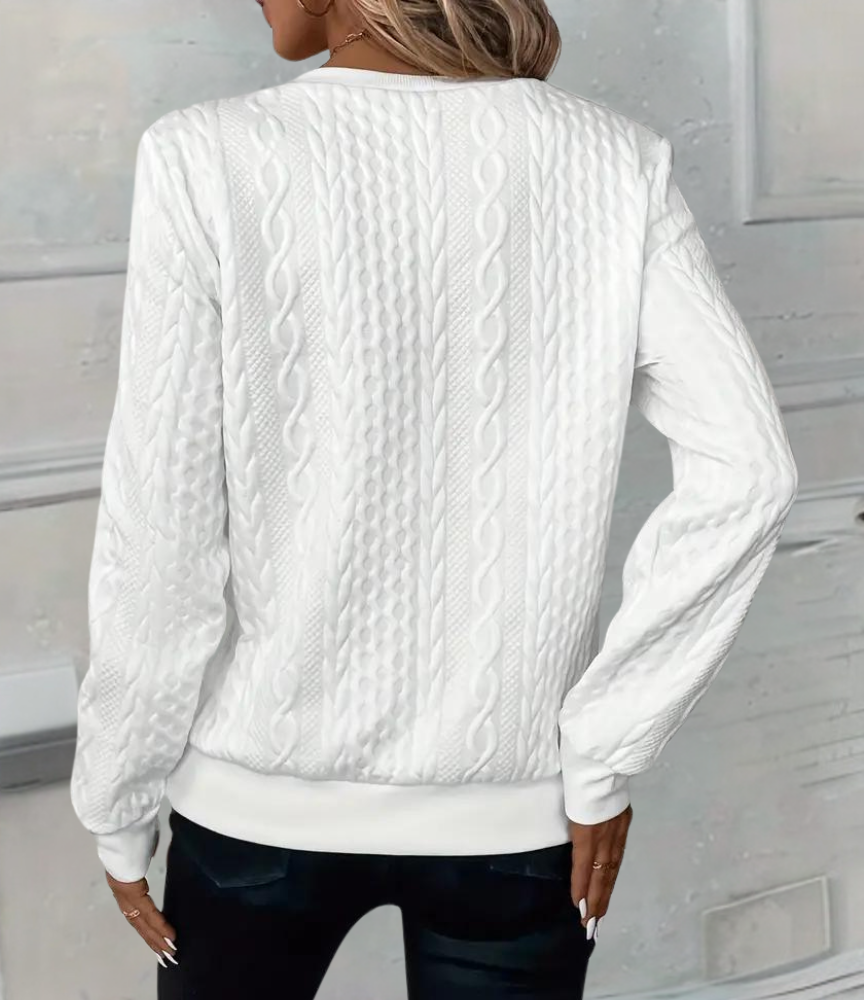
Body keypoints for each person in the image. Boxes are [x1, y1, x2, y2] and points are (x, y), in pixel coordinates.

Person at [69, 0, 799, 997]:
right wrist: (602, 750)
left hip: (257, 819)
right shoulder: (615, 160)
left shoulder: (207, 155)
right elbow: (750, 469)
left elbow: (162, 523)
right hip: (517, 826)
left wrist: (118, 799)